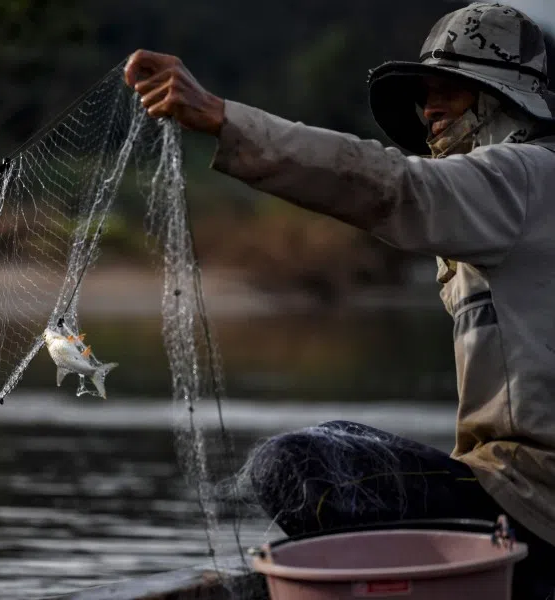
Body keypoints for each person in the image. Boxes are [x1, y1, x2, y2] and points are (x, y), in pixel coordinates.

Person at [124, 2, 555, 598]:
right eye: (424, 95)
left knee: (297, 466)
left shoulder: (528, 176)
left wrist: (224, 119)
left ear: (504, 102)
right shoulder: (517, 196)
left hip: (534, 505)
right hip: (510, 496)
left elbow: (390, 185)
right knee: (342, 437)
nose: (428, 111)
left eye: (449, 94)